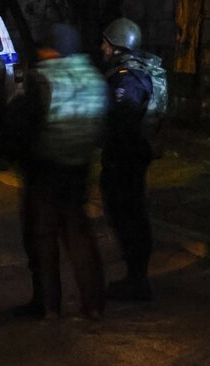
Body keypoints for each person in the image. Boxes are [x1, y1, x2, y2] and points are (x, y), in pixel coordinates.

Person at [9, 24, 108, 320]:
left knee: (43, 238)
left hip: (45, 169)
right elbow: (104, 122)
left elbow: (21, 125)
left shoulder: (41, 79)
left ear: (52, 49)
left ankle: (49, 304)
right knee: (80, 235)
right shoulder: (95, 78)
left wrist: (19, 155)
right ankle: (93, 304)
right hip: (79, 166)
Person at [99, 17, 164, 301]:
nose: (102, 47)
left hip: (125, 157)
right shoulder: (132, 71)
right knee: (131, 214)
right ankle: (136, 278)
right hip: (134, 154)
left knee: (128, 215)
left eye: (106, 43)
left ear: (117, 46)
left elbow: (123, 119)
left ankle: (137, 281)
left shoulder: (127, 77)